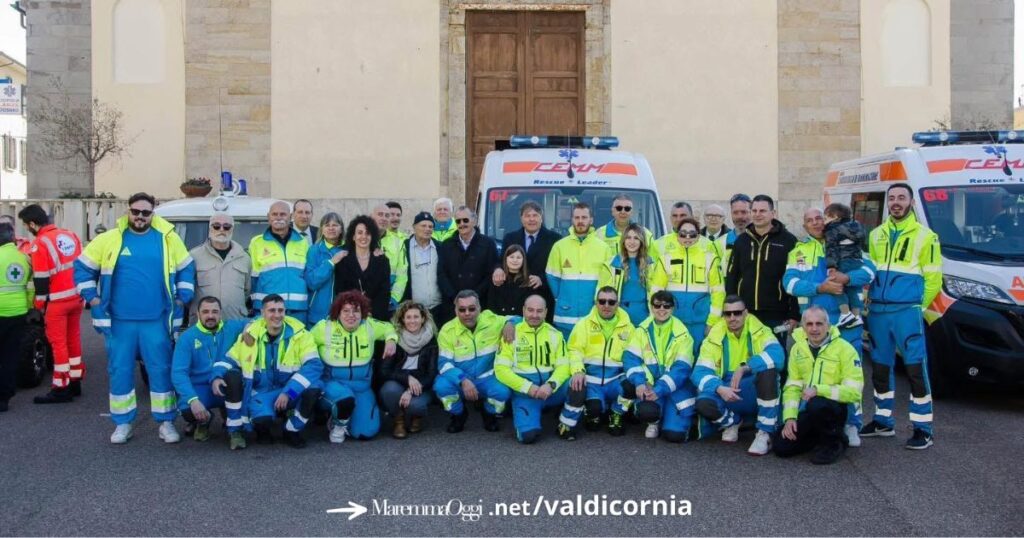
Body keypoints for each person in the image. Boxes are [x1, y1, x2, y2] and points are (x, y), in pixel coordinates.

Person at [74, 192, 195, 444]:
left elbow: (186, 267)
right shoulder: (109, 239)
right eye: (136, 211)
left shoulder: (168, 238)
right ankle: (122, 423)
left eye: (145, 212)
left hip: (157, 320)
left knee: (160, 370)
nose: (140, 216)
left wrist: (183, 297)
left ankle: (166, 422)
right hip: (119, 321)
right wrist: (92, 299)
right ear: (128, 211)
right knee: (120, 370)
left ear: (152, 213)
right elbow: (82, 267)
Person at [782, 207, 877, 447]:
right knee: (810, 376)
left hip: (847, 324)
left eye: (818, 218)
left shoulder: (845, 239)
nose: (815, 223)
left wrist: (848, 278)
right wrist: (819, 288)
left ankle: (852, 424)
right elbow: (789, 284)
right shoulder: (798, 251)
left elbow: (869, 271)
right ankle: (811, 422)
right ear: (804, 225)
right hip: (813, 326)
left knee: (850, 379)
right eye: (809, 220)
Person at [860, 183, 942, 450]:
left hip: (907, 311)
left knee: (916, 370)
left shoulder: (926, 236)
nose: (896, 202)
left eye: (901, 198)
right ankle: (883, 421)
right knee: (880, 369)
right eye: (892, 198)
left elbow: (933, 279)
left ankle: (923, 428)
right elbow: (870, 274)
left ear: (911, 202)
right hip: (878, 312)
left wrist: (918, 306)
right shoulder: (876, 234)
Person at [217, 294, 323, 448]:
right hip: (262, 393)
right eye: (272, 310)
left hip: (290, 392)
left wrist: (289, 392)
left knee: (314, 387)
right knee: (263, 423)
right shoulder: (250, 335)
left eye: (281, 310)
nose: (277, 315)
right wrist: (216, 376)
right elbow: (229, 360)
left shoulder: (301, 335)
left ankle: (292, 430)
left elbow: (314, 365)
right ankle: (264, 425)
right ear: (262, 313)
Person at [692, 295, 785, 456]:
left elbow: (778, 356)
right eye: (728, 314)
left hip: (752, 386)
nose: (732, 318)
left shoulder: (761, 330)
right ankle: (733, 422)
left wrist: (746, 367)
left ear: (746, 313)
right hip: (726, 389)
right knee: (703, 403)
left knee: (768, 372)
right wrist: (719, 388)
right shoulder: (714, 336)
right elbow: (699, 372)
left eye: (737, 313)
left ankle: (765, 432)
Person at [776, 306, 864, 465]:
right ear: (803, 327)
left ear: (828, 326)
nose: (814, 329)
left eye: (819, 324)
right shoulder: (797, 349)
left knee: (817, 404)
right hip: (807, 409)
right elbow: (792, 387)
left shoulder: (845, 349)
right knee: (781, 447)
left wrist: (819, 390)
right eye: (809, 324)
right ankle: (818, 438)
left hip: (833, 409)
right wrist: (790, 417)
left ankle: (835, 442)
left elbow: (854, 392)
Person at [17, 204, 85, 404]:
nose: (26, 228)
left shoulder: (39, 243)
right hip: (76, 297)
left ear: (32, 224)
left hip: (57, 301)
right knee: (73, 339)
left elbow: (41, 279)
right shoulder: (70, 235)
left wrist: (38, 306)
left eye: (26, 225)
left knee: (58, 344)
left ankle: (61, 388)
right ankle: (75, 382)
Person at [312, 291, 397, 444]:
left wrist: (391, 340)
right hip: (333, 384)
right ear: (338, 312)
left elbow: (388, 328)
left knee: (365, 432)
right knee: (345, 399)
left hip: (361, 387)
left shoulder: (369, 325)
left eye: (356, 311)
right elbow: (304, 343)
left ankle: (347, 415)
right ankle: (337, 422)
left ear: (362, 312)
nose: (351, 315)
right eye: (346, 311)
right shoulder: (324, 327)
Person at [495, 294, 575, 444]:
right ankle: (525, 415)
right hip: (525, 394)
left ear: (546, 312)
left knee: (577, 384)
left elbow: (564, 366)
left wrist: (551, 384)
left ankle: (566, 423)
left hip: (549, 390)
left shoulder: (555, 334)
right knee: (528, 437)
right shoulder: (511, 334)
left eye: (539, 311)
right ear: (523, 310)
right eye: (530, 310)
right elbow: (501, 369)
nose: (534, 315)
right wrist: (528, 387)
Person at [620, 291, 697, 442]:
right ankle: (653, 422)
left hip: (675, 389)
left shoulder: (683, 335)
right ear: (651, 307)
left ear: (673, 308)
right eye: (657, 305)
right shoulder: (641, 330)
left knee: (674, 436)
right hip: (650, 386)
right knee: (646, 411)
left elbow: (681, 369)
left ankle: (695, 424)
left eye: (666, 306)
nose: (662, 309)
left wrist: (659, 389)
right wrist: (640, 382)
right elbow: (631, 359)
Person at [434, 290, 515, 433]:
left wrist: (510, 323)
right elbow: (444, 363)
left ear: (479, 308)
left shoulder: (492, 320)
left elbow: (519, 318)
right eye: (462, 309)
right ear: (455, 310)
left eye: (471, 309)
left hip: (487, 377)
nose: (467, 313)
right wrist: (463, 380)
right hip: (460, 378)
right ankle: (459, 415)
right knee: (441, 387)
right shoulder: (447, 330)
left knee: (502, 392)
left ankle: (489, 414)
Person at [171, 296, 247, 446]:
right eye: (205, 312)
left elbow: (260, 319)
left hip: (226, 385)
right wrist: (193, 400)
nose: (210, 316)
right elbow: (178, 373)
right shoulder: (187, 338)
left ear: (220, 313)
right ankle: (204, 421)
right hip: (200, 388)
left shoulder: (231, 328)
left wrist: (249, 327)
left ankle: (233, 427)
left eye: (215, 312)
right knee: (187, 409)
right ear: (198, 314)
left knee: (235, 379)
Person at [725, 194, 799, 344]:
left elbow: (794, 278)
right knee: (746, 352)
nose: (757, 214)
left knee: (775, 352)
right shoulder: (741, 241)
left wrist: (794, 314)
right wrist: (731, 309)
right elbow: (732, 276)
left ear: (773, 213)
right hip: (745, 312)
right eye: (754, 211)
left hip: (777, 313)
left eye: (762, 211)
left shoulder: (788, 241)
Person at [563, 287, 634, 436]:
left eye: (611, 302)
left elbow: (634, 356)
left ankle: (616, 413)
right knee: (594, 408)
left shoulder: (629, 328)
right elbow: (574, 350)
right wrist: (578, 371)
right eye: (602, 301)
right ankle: (592, 414)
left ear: (617, 304)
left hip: (616, 380)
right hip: (592, 380)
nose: (606, 305)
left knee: (631, 385)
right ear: (596, 303)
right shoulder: (583, 324)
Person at [652, 217, 724, 355]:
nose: (687, 238)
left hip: (701, 323)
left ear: (698, 236)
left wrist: (712, 322)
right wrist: (657, 318)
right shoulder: (666, 258)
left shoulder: (710, 258)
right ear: (677, 235)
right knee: (674, 359)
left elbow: (718, 293)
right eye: (683, 234)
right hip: (673, 321)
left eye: (692, 234)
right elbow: (656, 291)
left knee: (700, 358)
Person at [546, 202, 610, 337]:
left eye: (584, 217)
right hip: (565, 318)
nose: (580, 221)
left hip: (594, 317)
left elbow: (608, 281)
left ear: (591, 220)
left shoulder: (604, 248)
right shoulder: (559, 246)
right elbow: (552, 277)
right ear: (572, 219)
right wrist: (562, 299)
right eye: (577, 217)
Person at [379, 301, 437, 439]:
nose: (412, 321)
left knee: (416, 406)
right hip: (399, 381)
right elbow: (384, 371)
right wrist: (407, 378)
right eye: (408, 317)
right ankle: (398, 420)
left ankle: (416, 417)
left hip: (422, 384)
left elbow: (431, 374)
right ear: (402, 320)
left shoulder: (432, 340)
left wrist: (410, 390)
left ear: (423, 319)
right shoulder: (394, 338)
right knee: (388, 390)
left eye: (416, 317)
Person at [493, 201, 561, 317]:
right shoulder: (510, 238)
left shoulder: (555, 239)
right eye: (527, 216)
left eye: (535, 215)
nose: (531, 219)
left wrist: (542, 279)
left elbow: (558, 268)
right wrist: (498, 269)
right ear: (521, 219)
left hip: (542, 294)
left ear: (541, 218)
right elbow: (501, 260)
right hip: (516, 295)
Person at [250, 201, 309, 323]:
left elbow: (308, 275)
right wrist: (254, 306)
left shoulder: (303, 242)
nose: (278, 217)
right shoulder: (257, 242)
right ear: (268, 217)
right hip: (269, 309)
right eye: (274, 214)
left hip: (298, 309)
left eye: (283, 214)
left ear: (290, 217)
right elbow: (252, 278)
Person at [437, 206, 498, 320]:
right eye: (458, 221)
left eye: (465, 220)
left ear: (474, 221)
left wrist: (474, 297)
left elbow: (491, 273)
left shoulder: (488, 244)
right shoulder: (447, 245)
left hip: (480, 303)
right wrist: (454, 297)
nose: (462, 224)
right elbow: (441, 274)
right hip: (453, 305)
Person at [189, 212, 251, 322]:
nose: (221, 230)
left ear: (232, 229)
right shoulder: (194, 256)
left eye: (226, 227)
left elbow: (247, 290)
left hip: (235, 322)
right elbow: (187, 291)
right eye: (216, 226)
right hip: (203, 323)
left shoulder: (244, 257)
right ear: (210, 229)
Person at [334, 215, 391, 322]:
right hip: (350, 318)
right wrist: (356, 312)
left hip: (376, 318)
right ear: (353, 236)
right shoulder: (343, 261)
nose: (363, 236)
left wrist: (371, 313)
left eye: (367, 233)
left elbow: (384, 293)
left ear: (372, 236)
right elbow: (340, 291)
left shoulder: (382, 261)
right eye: (360, 233)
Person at [0, 223, 31, 412]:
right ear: (12, 238)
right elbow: (31, 285)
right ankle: (4, 398)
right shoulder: (24, 257)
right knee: (10, 355)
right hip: (18, 312)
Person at [598, 223, 655, 325]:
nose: (632, 242)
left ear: (642, 241)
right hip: (619, 316)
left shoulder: (651, 264)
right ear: (623, 240)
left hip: (645, 316)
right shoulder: (612, 264)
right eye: (628, 237)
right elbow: (602, 293)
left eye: (636, 238)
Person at [822, 203, 867, 329]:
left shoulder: (832, 229)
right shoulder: (857, 226)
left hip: (843, 261)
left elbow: (831, 249)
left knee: (835, 285)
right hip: (857, 261)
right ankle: (856, 316)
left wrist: (831, 266)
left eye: (826, 217)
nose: (824, 221)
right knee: (854, 288)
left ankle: (845, 313)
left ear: (835, 217)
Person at [402, 212, 445, 323]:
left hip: (439, 308)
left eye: (430, 226)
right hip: (414, 310)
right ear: (414, 227)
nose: (427, 229)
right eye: (423, 225)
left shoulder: (440, 247)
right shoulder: (404, 247)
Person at [304, 212, 345, 327]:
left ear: (341, 229)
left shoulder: (348, 250)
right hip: (318, 313)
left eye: (335, 225)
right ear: (322, 229)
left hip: (344, 314)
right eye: (327, 225)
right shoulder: (314, 250)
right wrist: (331, 263)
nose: (331, 228)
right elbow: (311, 281)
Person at [374, 203, 407, 313]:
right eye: (381, 215)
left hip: (390, 298)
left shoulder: (399, 241)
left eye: (386, 215)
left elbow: (402, 273)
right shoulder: (364, 238)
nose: (384, 218)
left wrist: (394, 298)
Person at [487, 245, 534, 316]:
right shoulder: (497, 278)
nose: (515, 260)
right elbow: (491, 306)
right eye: (511, 257)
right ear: (506, 259)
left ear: (523, 260)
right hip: (499, 320)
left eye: (518, 257)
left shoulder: (529, 280)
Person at [718, 194, 752, 275]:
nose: (739, 216)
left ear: (751, 212)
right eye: (735, 212)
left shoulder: (762, 241)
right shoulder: (720, 243)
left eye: (744, 212)